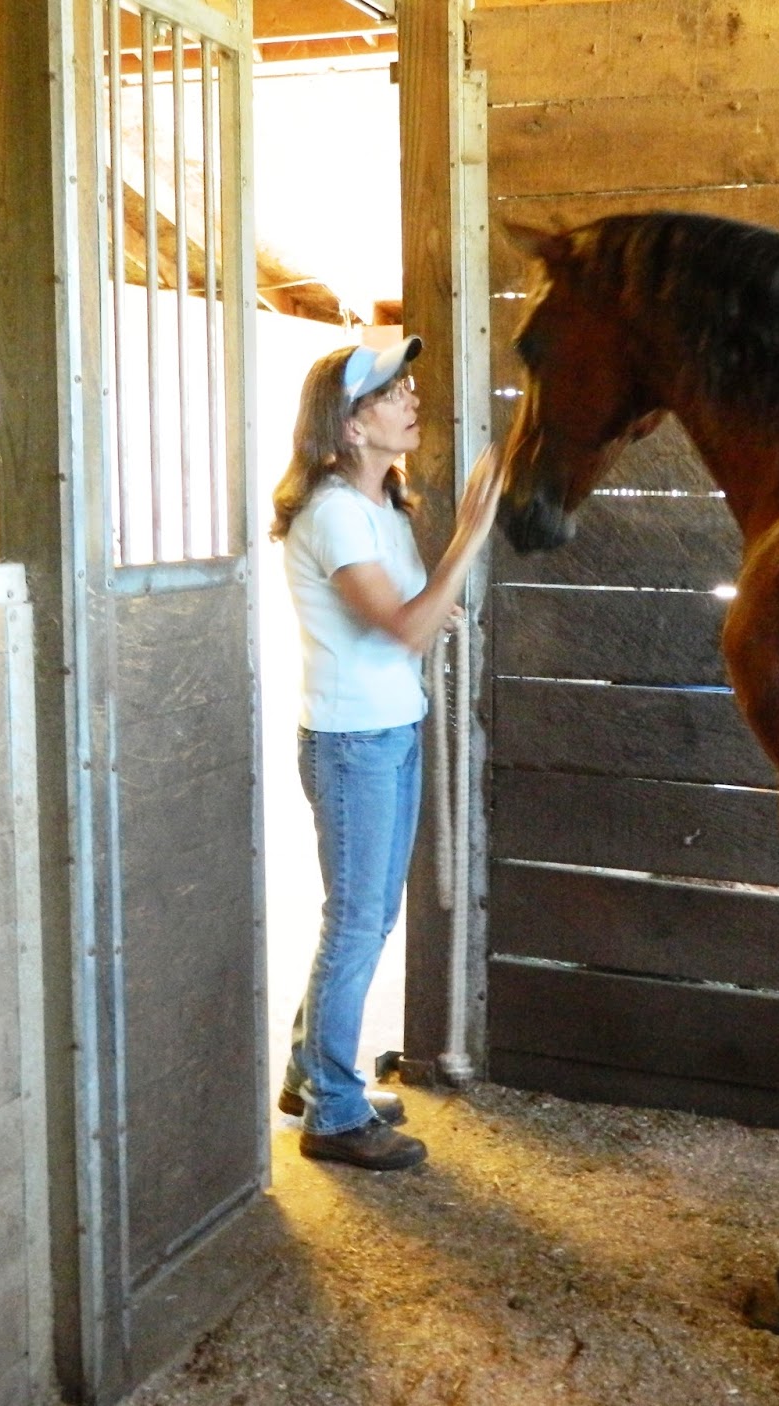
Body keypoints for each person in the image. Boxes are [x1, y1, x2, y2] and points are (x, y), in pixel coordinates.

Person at [269, 336, 502, 1170]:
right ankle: (333, 1114)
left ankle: (311, 1075)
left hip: (390, 729)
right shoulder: (333, 511)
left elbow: (408, 621)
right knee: (357, 924)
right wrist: (472, 533)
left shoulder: (380, 507)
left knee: (364, 919)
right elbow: (404, 625)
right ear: (349, 425)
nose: (411, 400)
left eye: (408, 385)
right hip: (353, 743)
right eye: (392, 394)